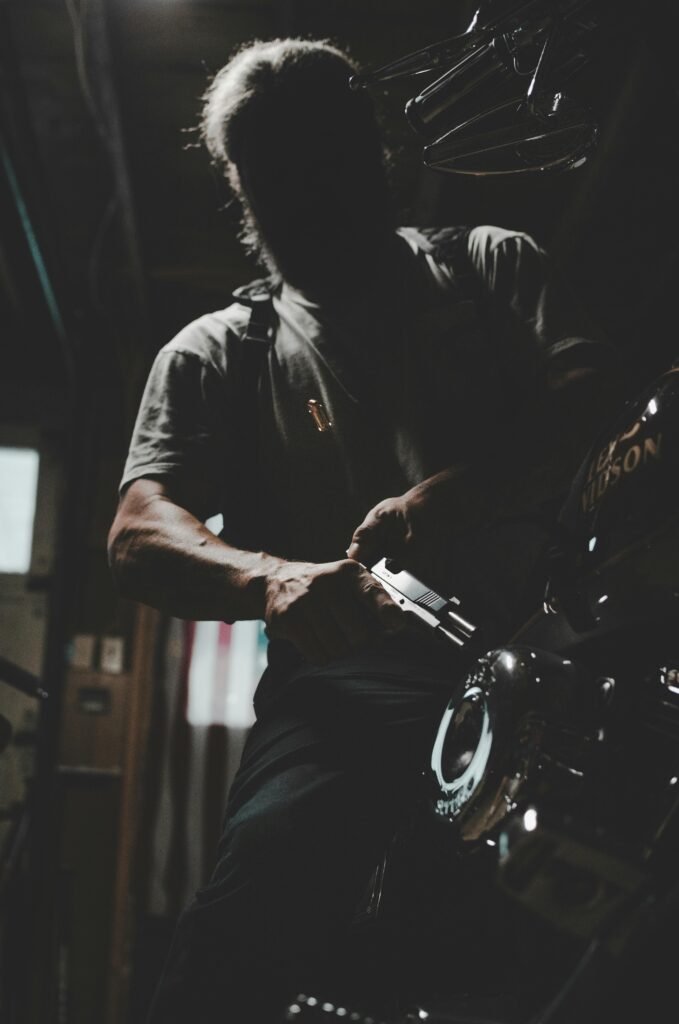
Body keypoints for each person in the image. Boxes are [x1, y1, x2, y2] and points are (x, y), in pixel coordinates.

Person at [108, 37, 612, 1024]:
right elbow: (137, 532)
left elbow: (595, 408)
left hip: (552, 663)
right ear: (239, 183)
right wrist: (272, 582)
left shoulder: (489, 268)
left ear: (373, 150)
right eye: (269, 170)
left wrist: (447, 498)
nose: (301, 192)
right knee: (243, 925)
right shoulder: (218, 352)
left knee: (573, 953)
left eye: (322, 157)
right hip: (342, 685)